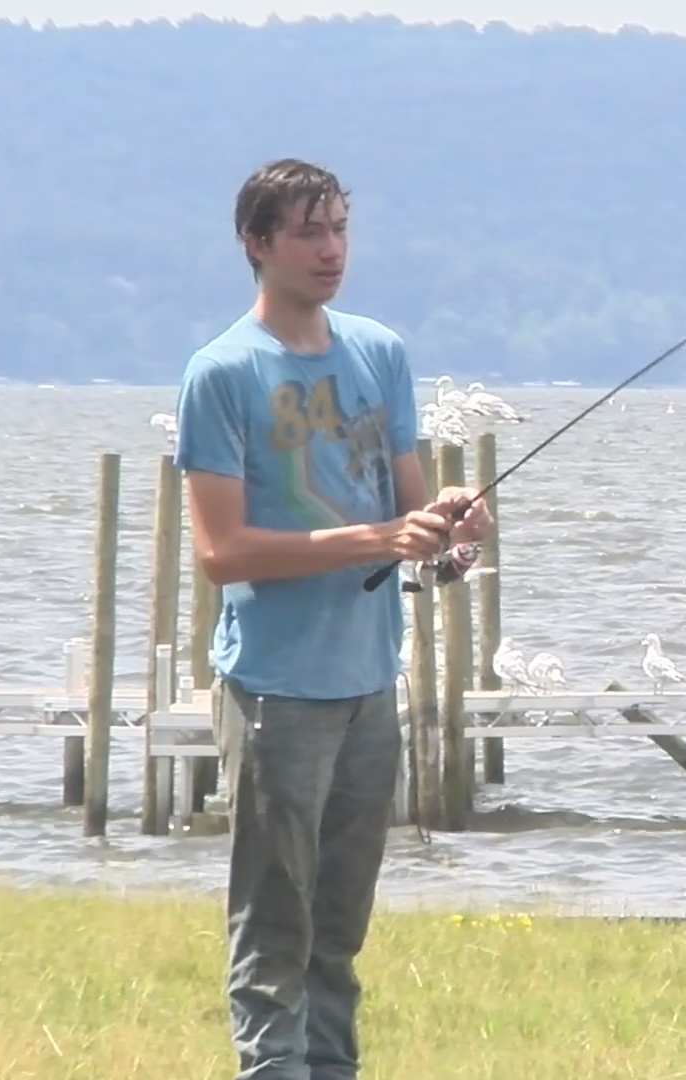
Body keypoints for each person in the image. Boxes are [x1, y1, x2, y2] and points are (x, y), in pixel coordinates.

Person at [173, 157, 492, 1080]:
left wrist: (454, 531)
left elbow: (417, 525)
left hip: (369, 686)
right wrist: (375, 538)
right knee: (276, 937)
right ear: (257, 245)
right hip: (275, 690)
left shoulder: (379, 353)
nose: (331, 249)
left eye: (340, 227)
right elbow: (222, 553)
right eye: (309, 231)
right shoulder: (221, 372)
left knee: (338, 939)